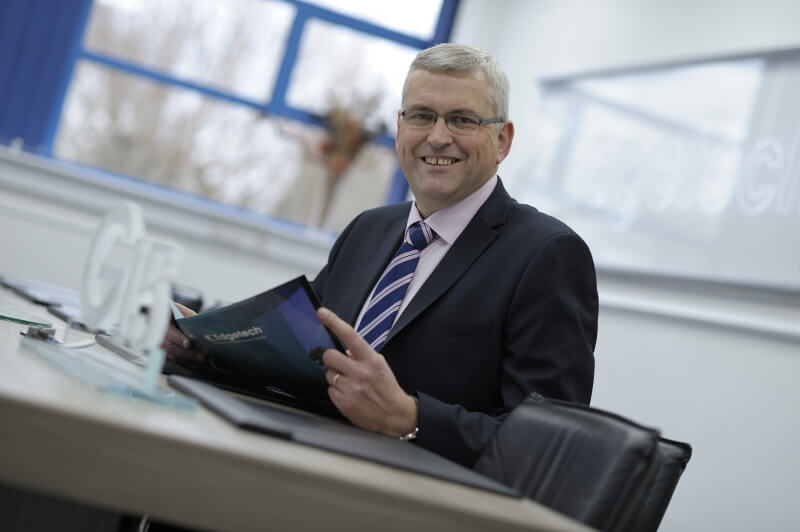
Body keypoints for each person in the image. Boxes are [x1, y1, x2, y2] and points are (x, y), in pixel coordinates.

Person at [165, 43, 598, 468]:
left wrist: (409, 418)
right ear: (399, 128)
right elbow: (296, 353)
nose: (438, 136)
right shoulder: (369, 228)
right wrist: (205, 347)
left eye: (462, 119)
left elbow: (548, 447)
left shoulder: (548, 255)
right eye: (422, 116)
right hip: (305, 464)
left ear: (502, 140)